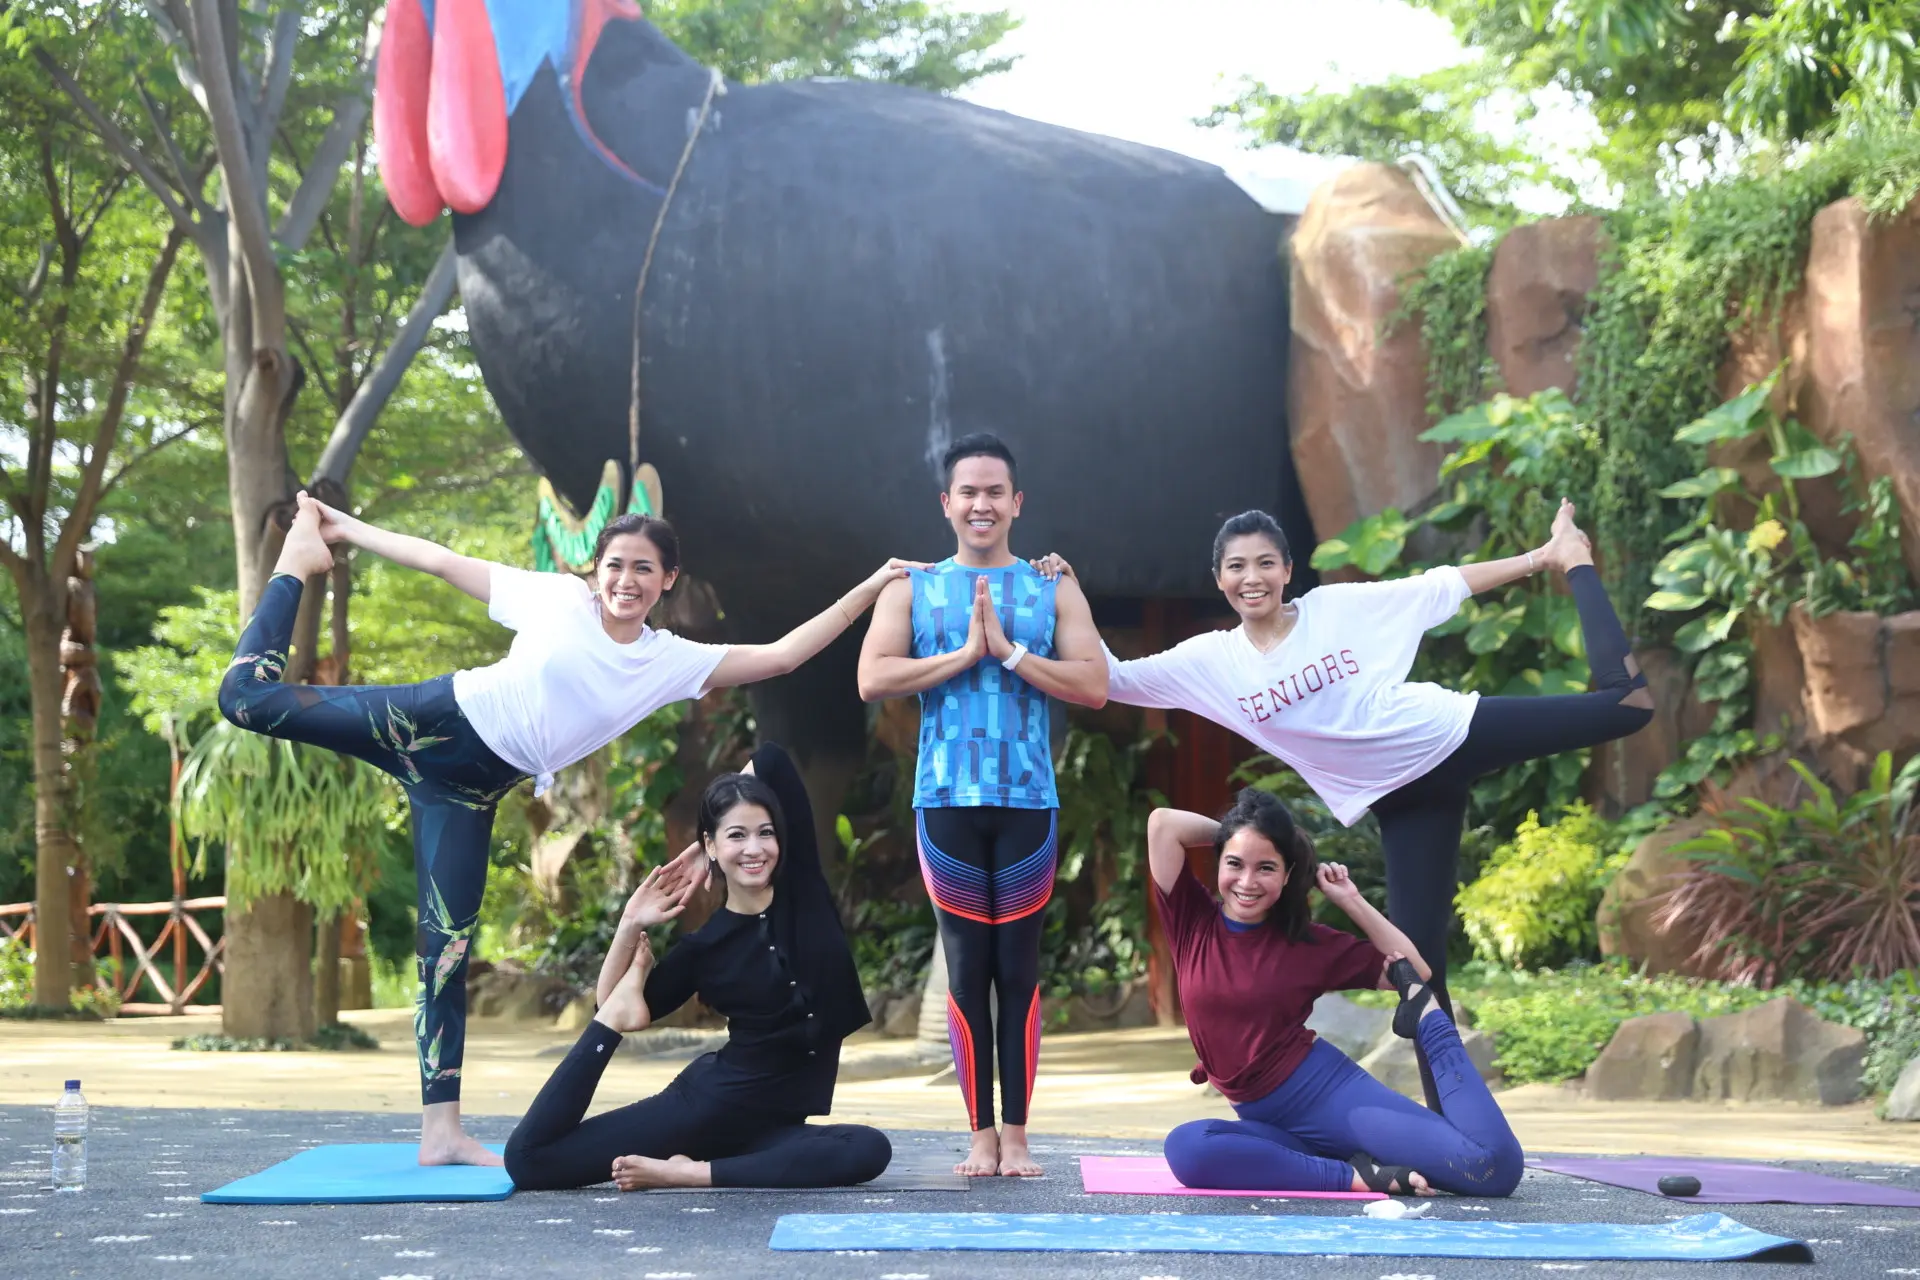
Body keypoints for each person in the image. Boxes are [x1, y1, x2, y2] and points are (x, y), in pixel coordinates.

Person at [218, 493, 920, 1166]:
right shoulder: (557, 599)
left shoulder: (671, 660)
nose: (626, 580)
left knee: (447, 950)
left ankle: (441, 1132)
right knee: (245, 698)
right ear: (596, 570)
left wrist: (871, 588)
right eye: (615, 565)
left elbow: (784, 655)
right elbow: (441, 561)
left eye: (644, 568)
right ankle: (295, 562)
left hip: (469, 791)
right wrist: (346, 531)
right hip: (430, 722)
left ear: (668, 580)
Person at [1041, 498, 1653, 1110]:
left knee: (1627, 707)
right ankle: (1457, 1134)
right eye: (1236, 566)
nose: (1252, 577)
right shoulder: (1211, 661)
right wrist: (1069, 590)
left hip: (1448, 733)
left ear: (1287, 571)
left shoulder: (1335, 609)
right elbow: (1109, 678)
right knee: (1418, 974)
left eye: (1265, 563)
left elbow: (1440, 587)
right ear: (1219, 579)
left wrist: (1543, 557)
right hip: (1403, 802)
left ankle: (1574, 557)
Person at [856, 433, 1108, 1177]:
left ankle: (1019, 1135)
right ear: (947, 503)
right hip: (945, 800)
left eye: (995, 491)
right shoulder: (914, 587)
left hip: (1028, 800)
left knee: (1018, 970)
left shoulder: (1052, 586)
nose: (982, 504)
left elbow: (1094, 684)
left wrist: (1011, 653)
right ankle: (980, 1135)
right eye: (968, 491)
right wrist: (965, 656)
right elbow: (872, 677)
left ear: (1016, 502)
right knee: (968, 969)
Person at [503, 743, 892, 1191]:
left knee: (868, 1148)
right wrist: (630, 923)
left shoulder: (804, 891)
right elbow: (614, 1005)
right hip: (701, 1111)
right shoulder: (704, 947)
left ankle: (688, 1172)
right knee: (530, 1161)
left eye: (765, 833)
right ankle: (703, 1167)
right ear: (713, 843)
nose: (754, 849)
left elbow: (772, 758)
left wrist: (700, 847)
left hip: (773, 1131)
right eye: (736, 836)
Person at [1150, 789, 1523, 1197]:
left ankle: (1429, 1022)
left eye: (1266, 867)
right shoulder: (1192, 922)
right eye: (1235, 863)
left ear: (1288, 875)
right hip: (1267, 1122)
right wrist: (1241, 831)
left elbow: (1415, 972)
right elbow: (1162, 824)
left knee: (1490, 1169)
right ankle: (1355, 1176)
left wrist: (1351, 900)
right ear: (1220, 860)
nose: (1247, 882)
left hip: (1332, 1100)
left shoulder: (1305, 944)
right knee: (1188, 1148)